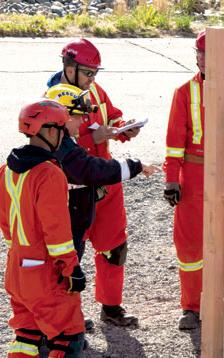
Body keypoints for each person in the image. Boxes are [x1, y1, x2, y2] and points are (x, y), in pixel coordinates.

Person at [163, 30, 224, 330]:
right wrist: (172, 180)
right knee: (190, 246)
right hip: (193, 179)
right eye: (200, 54)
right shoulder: (185, 92)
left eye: (210, 54)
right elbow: (174, 142)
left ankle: (211, 300)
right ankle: (192, 307)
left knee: (218, 244)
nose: (204, 60)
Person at [47, 38, 143, 326]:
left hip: (106, 181)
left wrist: (126, 128)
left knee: (115, 246)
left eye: (95, 73)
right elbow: (57, 145)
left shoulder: (94, 89)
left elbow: (111, 115)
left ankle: (111, 307)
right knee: (71, 252)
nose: (93, 79)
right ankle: (68, 315)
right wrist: (94, 138)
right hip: (74, 187)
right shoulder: (52, 99)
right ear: (69, 67)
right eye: (88, 73)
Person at [0, 99, 86, 358]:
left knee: (25, 335)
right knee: (67, 338)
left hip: (16, 267)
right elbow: (57, 233)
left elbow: (6, 224)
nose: (64, 136)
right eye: (62, 128)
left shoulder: (5, 170)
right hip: (44, 274)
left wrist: (19, 255)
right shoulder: (49, 173)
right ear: (48, 130)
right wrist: (71, 268)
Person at [45, 84, 160, 262]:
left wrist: (122, 128)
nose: (82, 121)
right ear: (63, 118)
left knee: (112, 254)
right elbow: (90, 169)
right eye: (77, 117)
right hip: (65, 228)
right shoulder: (63, 149)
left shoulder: (52, 141)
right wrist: (135, 165)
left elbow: (112, 116)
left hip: (70, 221)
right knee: (65, 280)